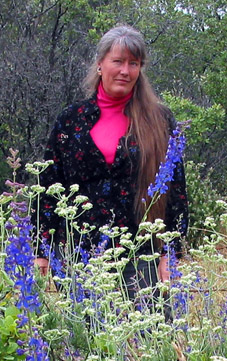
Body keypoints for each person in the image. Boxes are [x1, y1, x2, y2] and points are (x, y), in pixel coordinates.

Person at [33, 25, 188, 298]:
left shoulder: (159, 119)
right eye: (118, 61)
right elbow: (48, 186)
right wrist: (40, 251)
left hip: (141, 253)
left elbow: (175, 189)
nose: (125, 71)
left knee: (145, 337)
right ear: (100, 64)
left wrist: (169, 255)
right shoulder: (71, 120)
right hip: (78, 253)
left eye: (133, 63)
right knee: (85, 338)